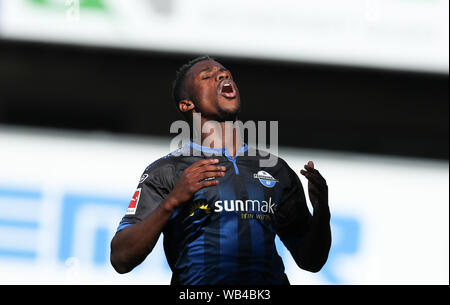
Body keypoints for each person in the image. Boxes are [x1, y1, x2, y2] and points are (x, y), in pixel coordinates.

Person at [110, 56, 331, 285]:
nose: (222, 75)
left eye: (226, 74)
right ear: (187, 104)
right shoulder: (167, 170)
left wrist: (322, 211)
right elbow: (121, 258)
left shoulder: (276, 169)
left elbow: (311, 260)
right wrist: (173, 201)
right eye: (207, 76)